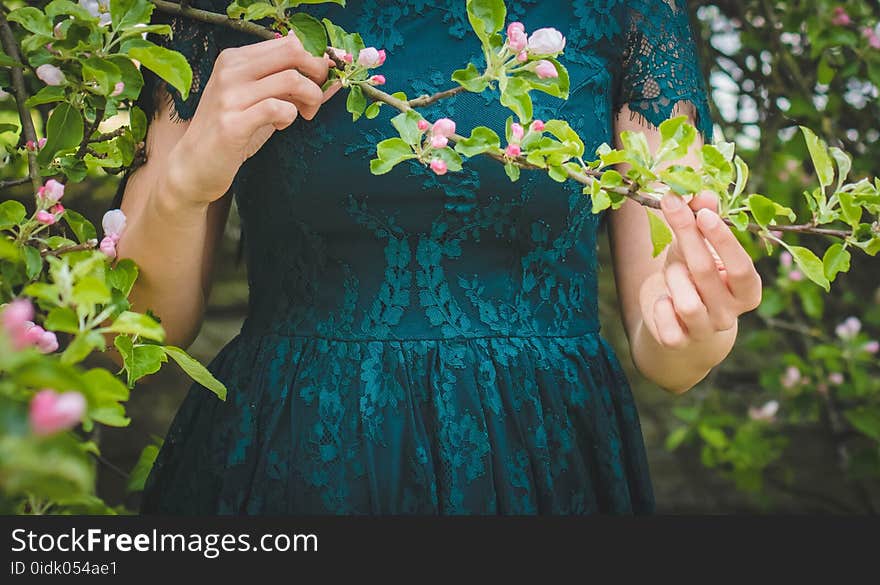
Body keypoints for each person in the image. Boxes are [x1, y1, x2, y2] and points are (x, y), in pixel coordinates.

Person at [113, 0, 762, 514]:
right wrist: (181, 191)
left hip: (539, 452)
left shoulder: (631, 9)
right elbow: (140, 331)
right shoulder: (222, 10)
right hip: (295, 447)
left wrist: (698, 322)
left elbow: (667, 341)